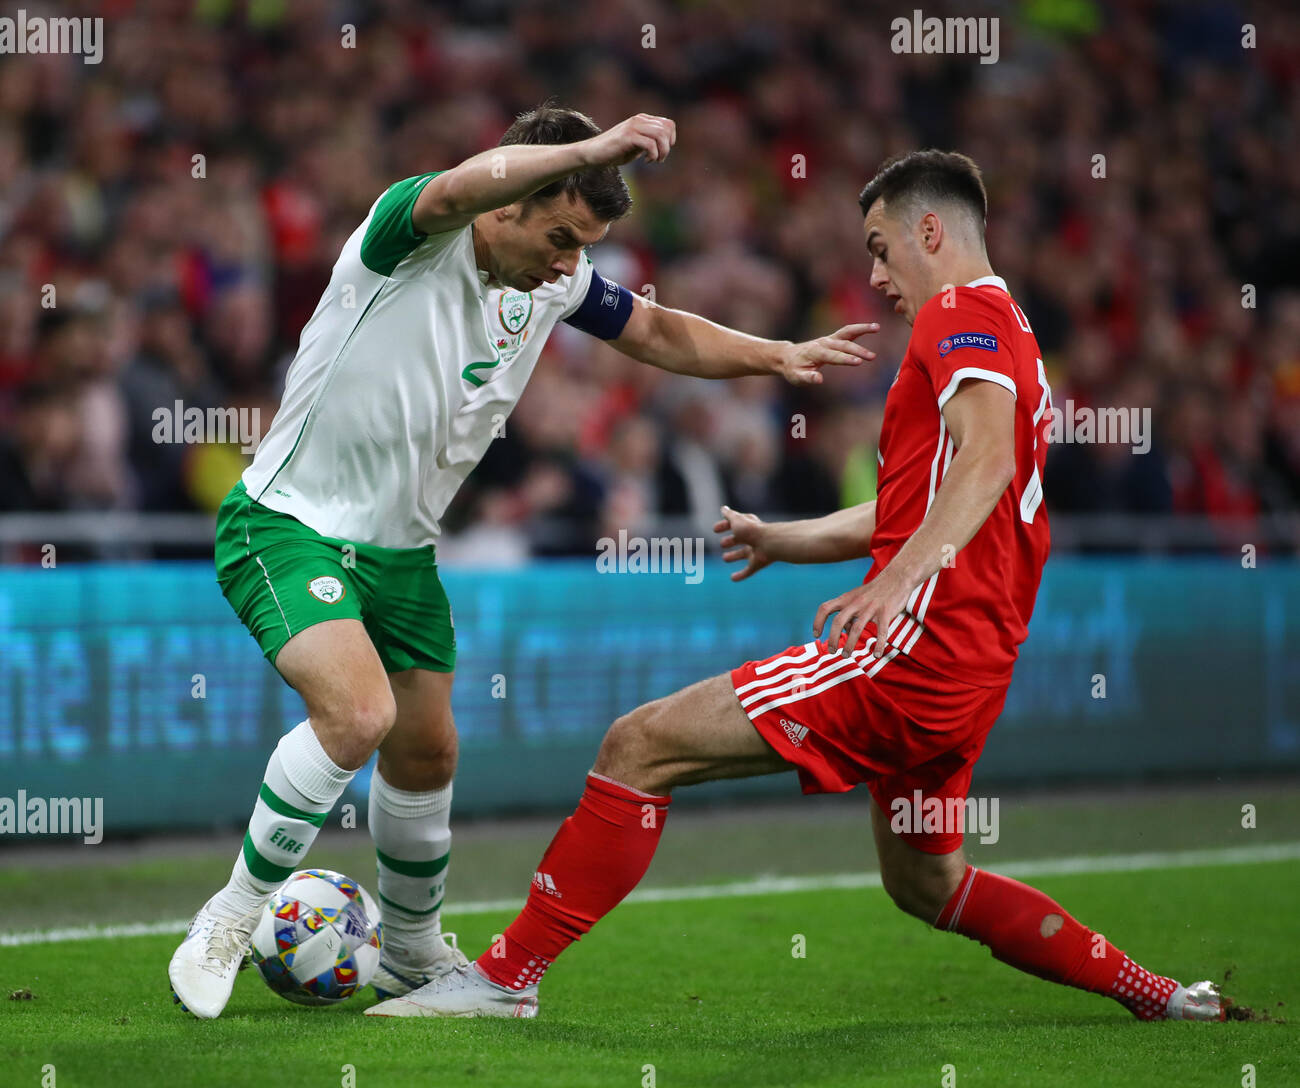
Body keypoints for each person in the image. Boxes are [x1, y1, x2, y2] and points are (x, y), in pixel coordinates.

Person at [368, 150, 1224, 1024]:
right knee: (928, 883)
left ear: (932, 231)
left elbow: (989, 463)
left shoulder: (958, 314)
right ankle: (1158, 996)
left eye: (883, 248)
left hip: (914, 652)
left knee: (639, 745)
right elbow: (913, 502)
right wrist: (785, 539)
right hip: (972, 668)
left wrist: (897, 580)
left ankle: (504, 977)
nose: (876, 274)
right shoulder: (1015, 336)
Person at [168, 104, 877, 1019]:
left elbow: (657, 333)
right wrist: (587, 148)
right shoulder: (409, 236)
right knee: (358, 714)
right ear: (510, 202)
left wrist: (773, 353)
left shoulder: (550, 282)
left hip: (403, 554)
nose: (569, 261)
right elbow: (463, 184)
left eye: (582, 245)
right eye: (559, 234)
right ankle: (229, 917)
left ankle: (413, 952)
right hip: (290, 523)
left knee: (428, 750)